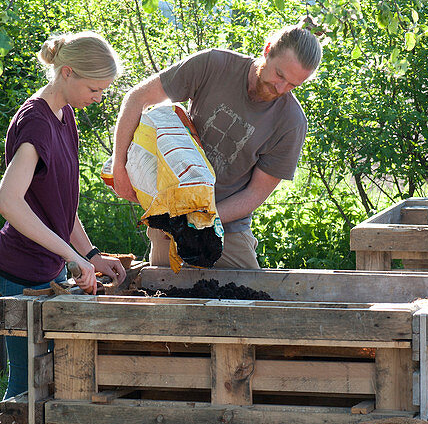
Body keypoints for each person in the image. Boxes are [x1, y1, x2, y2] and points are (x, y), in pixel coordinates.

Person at [0, 31, 127, 424]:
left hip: (51, 268)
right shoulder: (35, 123)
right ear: (67, 74)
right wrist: (73, 258)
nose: (98, 99)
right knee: (25, 387)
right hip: (21, 270)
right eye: (95, 89)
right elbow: (10, 203)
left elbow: (58, 201)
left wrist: (92, 252)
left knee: (50, 381)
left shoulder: (66, 115)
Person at [111, 22, 323, 268]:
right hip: (170, 220)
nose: (280, 88)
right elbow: (138, 98)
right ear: (267, 50)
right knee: (163, 298)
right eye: (280, 75)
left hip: (227, 230)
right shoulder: (214, 65)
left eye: (293, 85)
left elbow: (254, 194)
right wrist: (120, 167)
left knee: (250, 300)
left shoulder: (291, 122)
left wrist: (203, 220)